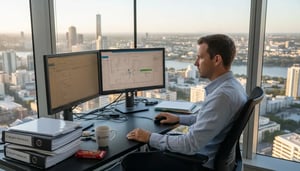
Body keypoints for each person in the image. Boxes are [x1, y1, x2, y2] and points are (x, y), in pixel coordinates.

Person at [125, 34, 247, 171]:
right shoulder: (234, 86)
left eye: (200, 57)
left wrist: (148, 136)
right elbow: (208, 118)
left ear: (217, 59)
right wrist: (179, 119)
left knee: (131, 161)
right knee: (156, 143)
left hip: (201, 163)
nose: (196, 63)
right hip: (211, 156)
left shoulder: (222, 96)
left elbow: (189, 144)